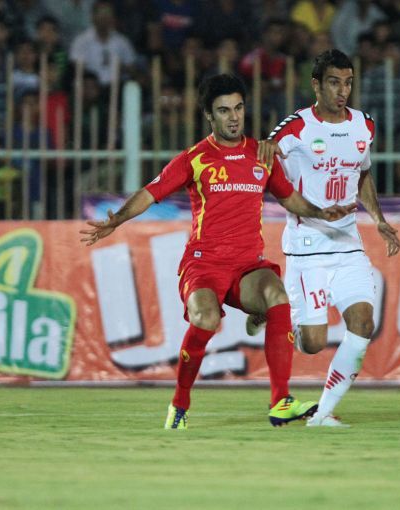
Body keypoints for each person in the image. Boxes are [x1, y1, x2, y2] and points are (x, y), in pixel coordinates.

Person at [80, 73, 356, 429]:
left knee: (278, 295)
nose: (234, 117)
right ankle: (180, 403)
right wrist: (117, 219)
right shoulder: (195, 158)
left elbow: (289, 198)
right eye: (224, 110)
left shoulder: (261, 154)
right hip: (203, 265)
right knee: (206, 319)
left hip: (247, 267)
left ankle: (280, 401)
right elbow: (151, 192)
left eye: (238, 108)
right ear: (209, 116)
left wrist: (321, 212)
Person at [247, 50, 400, 427]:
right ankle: (277, 312)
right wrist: (266, 155)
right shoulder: (296, 127)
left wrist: (379, 219)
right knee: (313, 343)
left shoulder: (364, 126)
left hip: (348, 245)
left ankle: (323, 413)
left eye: (348, 83)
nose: (342, 91)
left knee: (362, 324)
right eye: (334, 83)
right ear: (316, 85)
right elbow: (264, 157)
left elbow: (362, 174)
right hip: (308, 249)